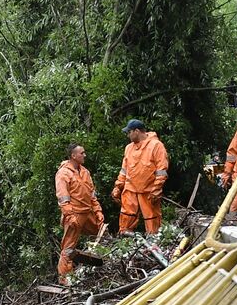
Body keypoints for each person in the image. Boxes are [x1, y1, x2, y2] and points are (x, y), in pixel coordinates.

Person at [54, 143, 105, 286]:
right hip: (74, 214)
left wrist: (98, 211)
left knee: (101, 233)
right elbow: (63, 197)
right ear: (73, 156)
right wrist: (69, 216)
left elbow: (92, 194)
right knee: (68, 247)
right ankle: (64, 278)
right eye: (82, 153)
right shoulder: (63, 173)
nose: (84, 155)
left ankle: (103, 263)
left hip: (88, 212)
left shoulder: (85, 172)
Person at [112, 119, 169, 234]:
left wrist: (156, 188)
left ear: (136, 131)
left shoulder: (156, 146)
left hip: (148, 190)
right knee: (126, 215)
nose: (128, 135)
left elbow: (161, 170)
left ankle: (154, 241)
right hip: (130, 189)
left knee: (151, 218)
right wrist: (118, 187)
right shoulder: (129, 148)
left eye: (129, 132)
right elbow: (124, 170)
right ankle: (124, 238)